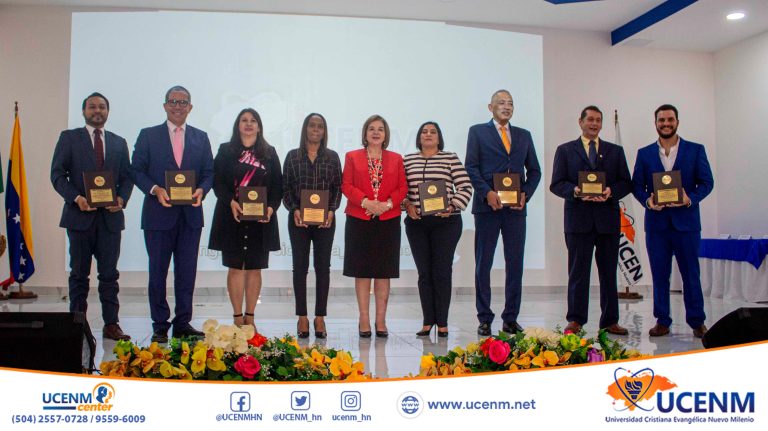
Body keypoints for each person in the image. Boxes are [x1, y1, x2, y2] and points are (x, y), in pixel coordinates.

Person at [131, 85, 214, 343]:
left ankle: (183, 322)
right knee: (157, 271)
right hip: (158, 215)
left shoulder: (201, 137)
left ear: (191, 107)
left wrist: (201, 190)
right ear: (165, 105)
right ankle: (159, 324)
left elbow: (209, 173)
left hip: (190, 216)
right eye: (173, 101)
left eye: (183, 102)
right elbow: (136, 170)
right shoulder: (148, 135)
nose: (178, 106)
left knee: (186, 272)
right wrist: (155, 189)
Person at [50, 92, 133, 341]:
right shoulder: (69, 139)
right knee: (78, 274)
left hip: (110, 220)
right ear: (84, 111)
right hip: (79, 217)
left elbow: (128, 176)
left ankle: (111, 324)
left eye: (102, 107)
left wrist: (121, 199)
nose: (97, 111)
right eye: (92, 107)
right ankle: (76, 323)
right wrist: (76, 198)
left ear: (108, 111)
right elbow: (57, 175)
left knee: (109, 275)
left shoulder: (119, 142)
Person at [632, 104, 714, 338]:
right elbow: (637, 185)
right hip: (657, 226)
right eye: (661, 120)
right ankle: (663, 320)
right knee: (659, 275)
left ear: (677, 121)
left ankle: (697, 321)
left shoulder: (696, 150)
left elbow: (707, 182)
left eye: (670, 120)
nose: (665, 124)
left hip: (686, 224)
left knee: (691, 274)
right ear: (655, 123)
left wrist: (690, 199)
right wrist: (648, 201)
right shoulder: (645, 153)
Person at [550, 106, 632, 335]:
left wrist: (610, 192)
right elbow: (556, 184)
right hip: (578, 222)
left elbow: (626, 182)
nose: (594, 124)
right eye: (590, 120)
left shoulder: (615, 151)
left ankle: (610, 320)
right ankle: (576, 320)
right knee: (578, 273)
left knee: (608, 274)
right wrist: (575, 191)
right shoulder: (565, 150)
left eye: (598, 120)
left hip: (607, 222)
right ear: (580, 122)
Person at [465, 89, 541, 336]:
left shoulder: (524, 135)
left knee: (515, 264)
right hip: (487, 208)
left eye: (510, 103)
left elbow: (535, 171)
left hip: (515, 210)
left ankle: (511, 317)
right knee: (483, 264)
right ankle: (484, 317)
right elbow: (471, 167)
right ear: (490, 107)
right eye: (501, 103)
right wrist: (486, 192)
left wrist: (525, 194)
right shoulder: (477, 132)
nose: (506, 107)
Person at [209, 108, 282, 332]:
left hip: (260, 221)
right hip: (232, 217)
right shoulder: (225, 150)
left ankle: (250, 317)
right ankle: (237, 317)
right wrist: (229, 200)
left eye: (253, 121)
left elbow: (278, 187)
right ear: (237, 125)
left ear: (259, 126)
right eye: (244, 120)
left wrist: (270, 208)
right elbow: (217, 182)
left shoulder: (269, 153)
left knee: (254, 269)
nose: (248, 124)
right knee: (235, 268)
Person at [403, 121, 473, 337]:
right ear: (418, 136)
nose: (428, 135)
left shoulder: (450, 158)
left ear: (439, 137)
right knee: (424, 273)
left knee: (442, 272)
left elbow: (465, 186)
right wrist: (407, 204)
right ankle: (427, 321)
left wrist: (452, 205)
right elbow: (400, 190)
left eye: (433, 132)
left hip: (447, 222)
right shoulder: (407, 160)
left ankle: (442, 322)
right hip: (417, 224)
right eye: (424, 131)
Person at [342, 115, 407, 338]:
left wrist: (387, 205)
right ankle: (364, 319)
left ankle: (381, 320)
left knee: (383, 272)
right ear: (365, 134)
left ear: (386, 134)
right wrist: (366, 202)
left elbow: (402, 188)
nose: (376, 132)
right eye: (372, 129)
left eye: (380, 129)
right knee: (362, 272)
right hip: (359, 219)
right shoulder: (352, 157)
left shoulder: (397, 159)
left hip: (388, 221)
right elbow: (346, 185)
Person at [282, 113, 341, 339]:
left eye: (320, 126)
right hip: (298, 220)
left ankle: (320, 317)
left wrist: (331, 210)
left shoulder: (333, 157)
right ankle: (302, 317)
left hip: (325, 222)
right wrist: (294, 209)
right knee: (300, 268)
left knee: (322, 268)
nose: (316, 129)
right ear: (305, 129)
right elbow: (285, 187)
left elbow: (338, 188)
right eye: (312, 125)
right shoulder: (292, 157)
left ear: (324, 131)